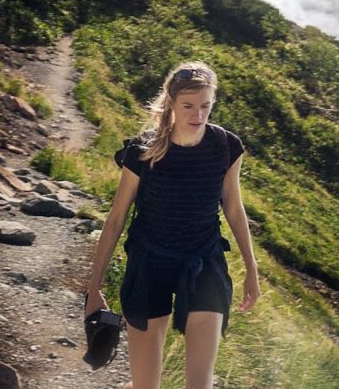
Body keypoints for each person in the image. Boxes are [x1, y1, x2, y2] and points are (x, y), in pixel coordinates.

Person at [85, 61, 260, 389]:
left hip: (204, 259)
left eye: (206, 106)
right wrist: (94, 289)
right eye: (189, 106)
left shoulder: (226, 146)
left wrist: (252, 269)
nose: (198, 116)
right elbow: (116, 219)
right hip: (150, 261)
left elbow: (234, 209)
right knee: (145, 385)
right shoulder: (143, 151)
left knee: (200, 383)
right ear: (171, 103)